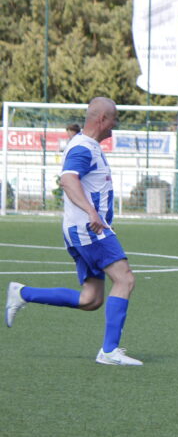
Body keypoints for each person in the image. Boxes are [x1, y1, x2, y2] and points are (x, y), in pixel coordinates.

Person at [5, 97, 142, 366]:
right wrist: (92, 212)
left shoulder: (87, 145)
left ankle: (22, 293)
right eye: (114, 118)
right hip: (88, 229)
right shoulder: (83, 148)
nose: (116, 124)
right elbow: (68, 180)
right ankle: (109, 351)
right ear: (102, 119)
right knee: (125, 279)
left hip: (83, 229)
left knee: (91, 299)